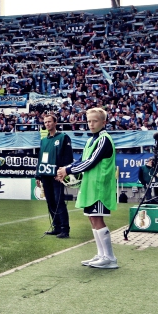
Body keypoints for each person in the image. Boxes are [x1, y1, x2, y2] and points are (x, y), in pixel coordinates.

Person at [58, 107, 119, 269]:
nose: (91, 124)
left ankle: (110, 258)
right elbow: (81, 160)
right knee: (92, 218)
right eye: (89, 121)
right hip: (90, 186)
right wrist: (66, 168)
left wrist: (68, 170)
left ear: (104, 122)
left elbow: (91, 161)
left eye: (95, 121)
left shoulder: (104, 139)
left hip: (99, 187)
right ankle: (102, 255)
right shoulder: (91, 140)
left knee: (98, 219)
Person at [37, 112, 74, 238]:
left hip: (57, 176)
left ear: (55, 123)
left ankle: (65, 229)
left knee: (59, 202)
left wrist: (62, 173)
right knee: (50, 202)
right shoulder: (43, 140)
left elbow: (68, 157)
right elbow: (40, 158)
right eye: (45, 122)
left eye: (49, 122)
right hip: (45, 175)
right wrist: (38, 176)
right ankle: (56, 227)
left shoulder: (63, 137)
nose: (47, 124)